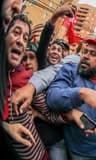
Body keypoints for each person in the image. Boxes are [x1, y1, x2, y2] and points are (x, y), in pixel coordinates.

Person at [46, 37, 96, 159]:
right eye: (85, 51)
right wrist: (81, 93)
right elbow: (52, 97)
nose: (85, 56)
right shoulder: (70, 71)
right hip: (80, 152)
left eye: (93, 54)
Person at [4, 14, 48, 160]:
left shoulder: (29, 80)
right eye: (16, 33)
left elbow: (51, 114)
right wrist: (5, 126)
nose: (21, 41)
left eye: (25, 38)